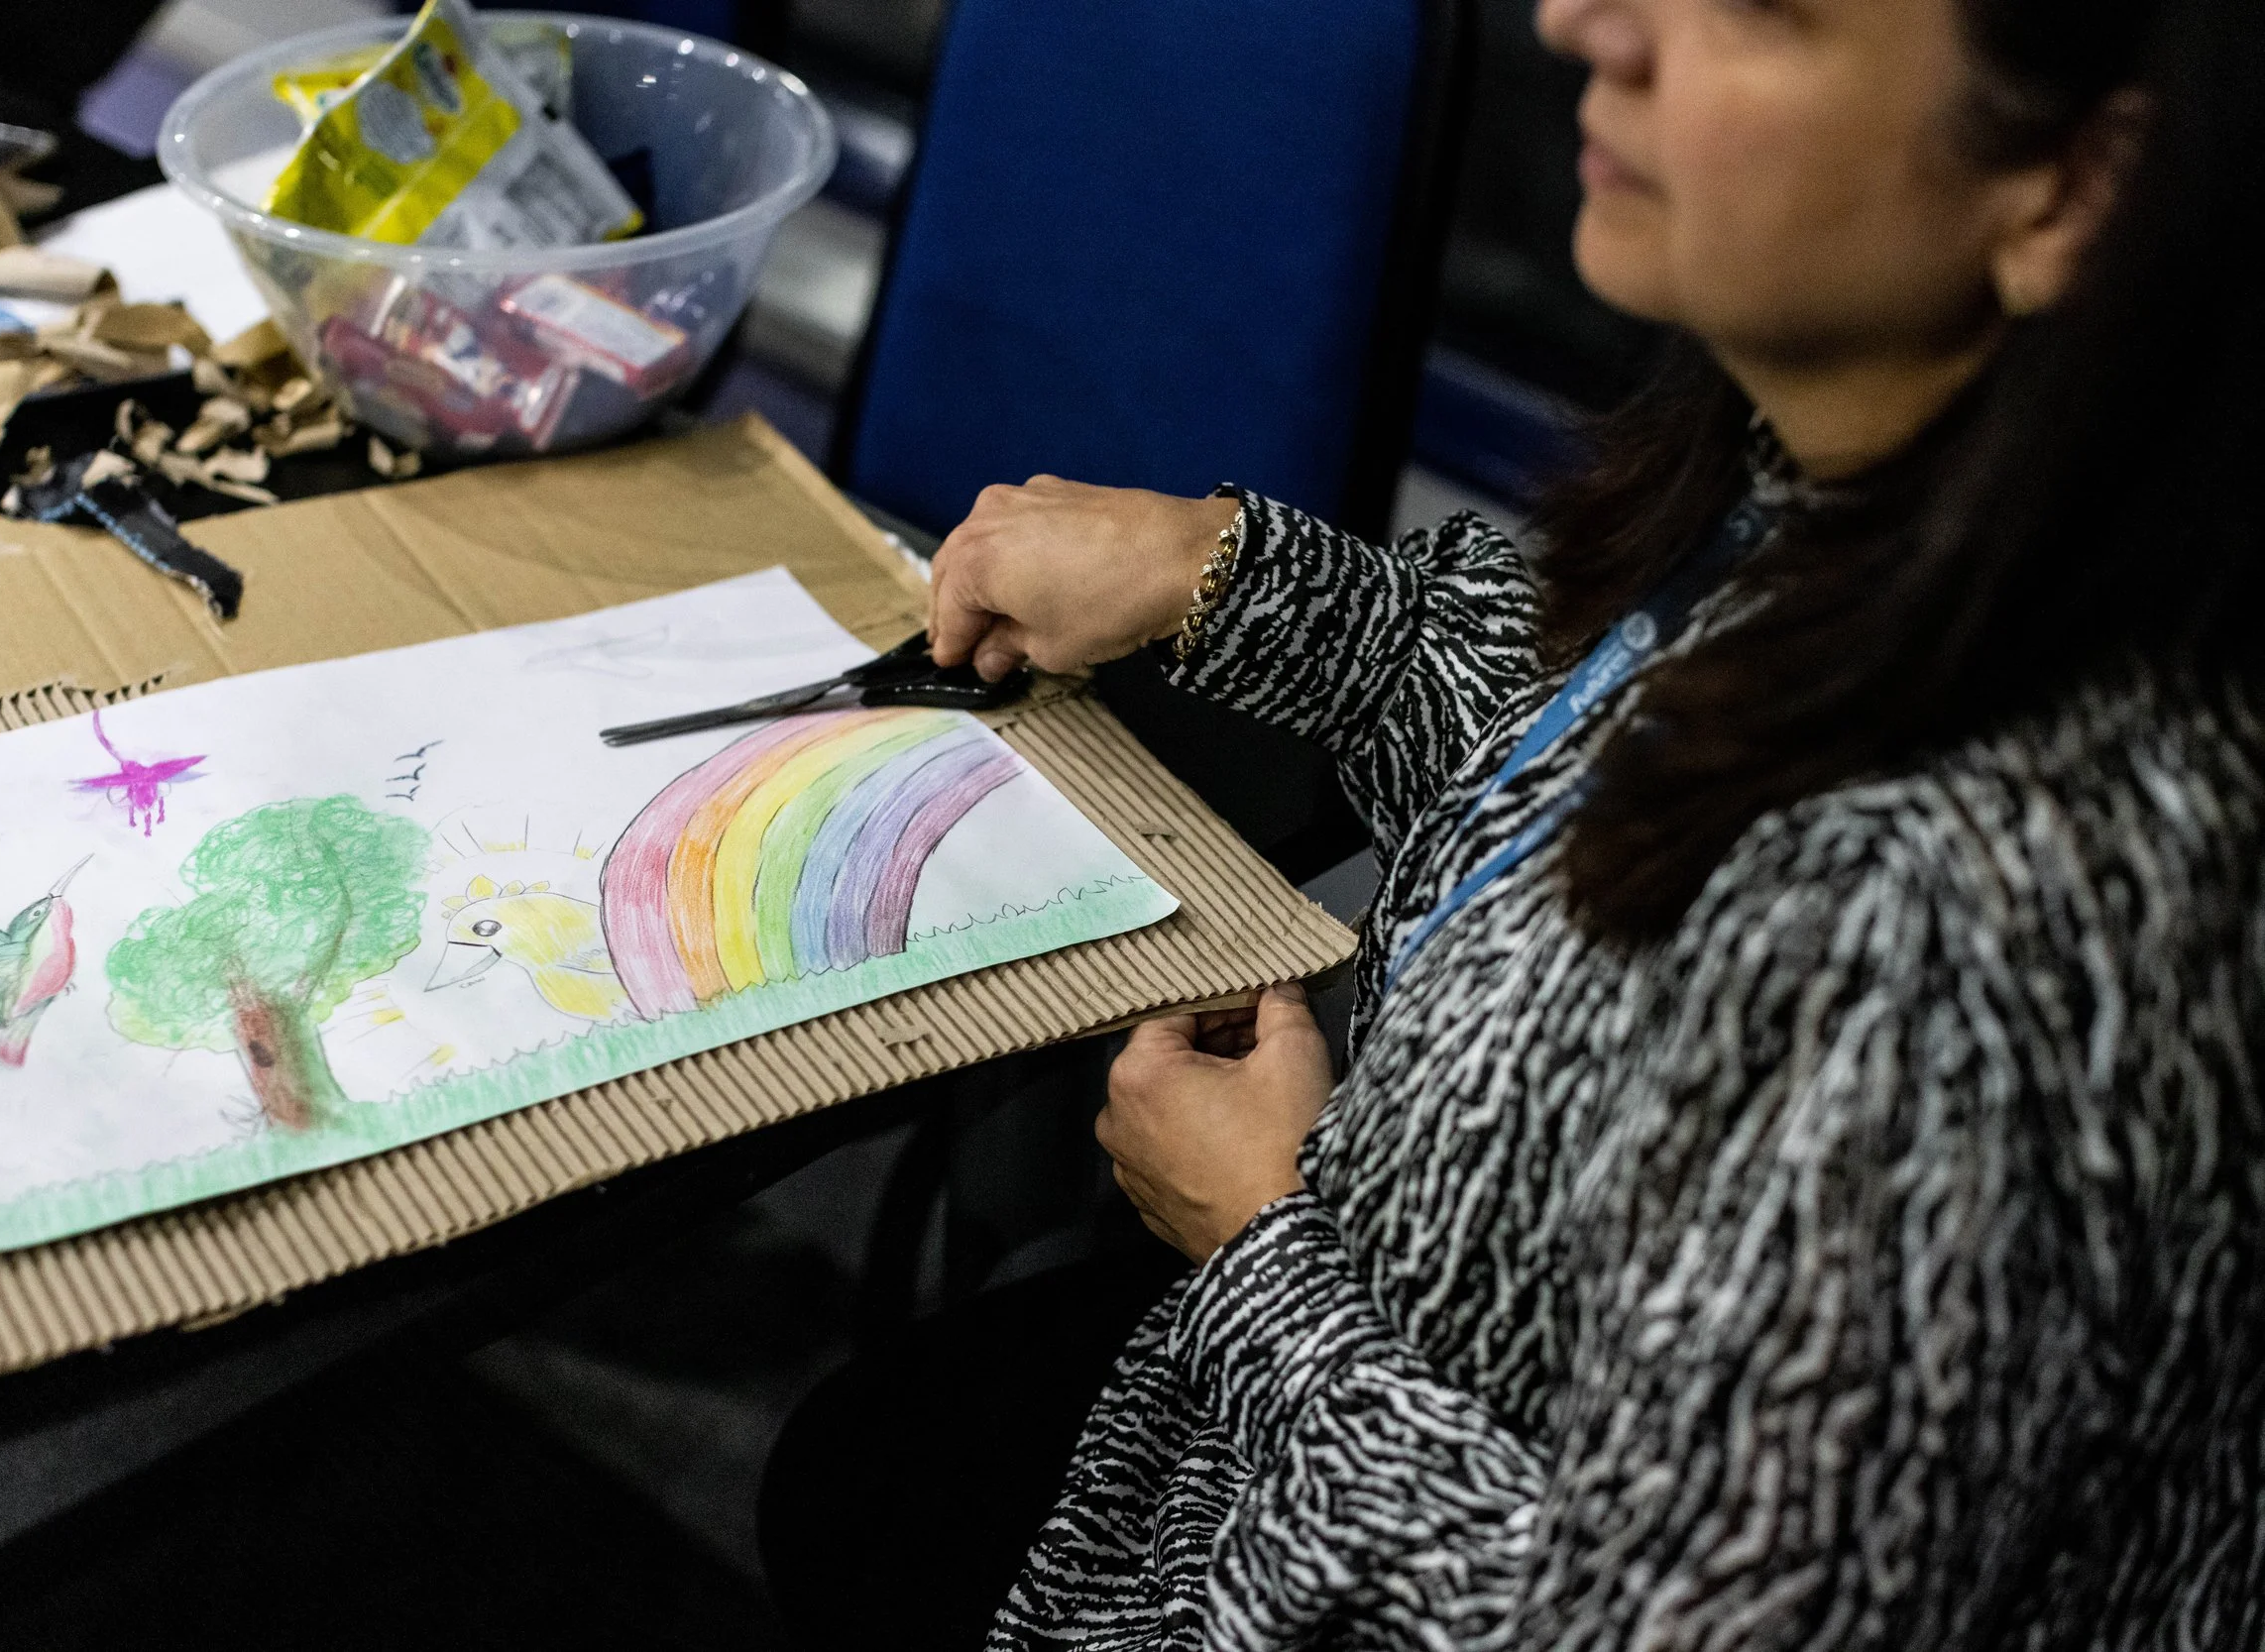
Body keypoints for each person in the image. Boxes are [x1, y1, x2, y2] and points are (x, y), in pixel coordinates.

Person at [759, 0, 2265, 1646]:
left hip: (1322, 1471)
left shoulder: (1968, 950)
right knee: (863, 1463)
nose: (1583, 19)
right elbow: (1588, 707)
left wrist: (1261, 1252)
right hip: (1296, 1415)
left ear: (2066, 188)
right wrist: (1228, 577)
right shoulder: (1849, 490)